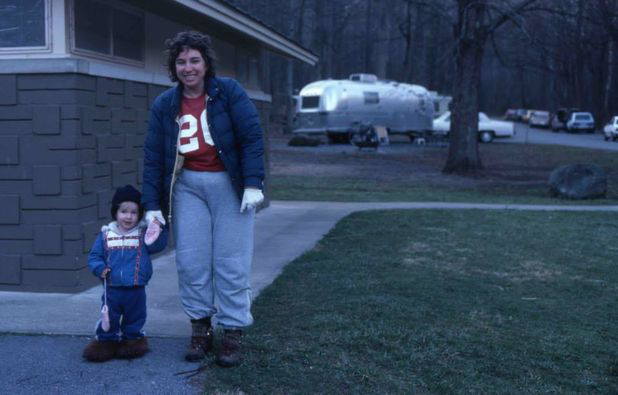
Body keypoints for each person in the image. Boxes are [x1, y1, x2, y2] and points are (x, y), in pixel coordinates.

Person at [142, 31, 265, 367]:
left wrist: (253, 182)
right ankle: (200, 328)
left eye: (194, 60)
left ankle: (233, 331)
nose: (188, 67)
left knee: (231, 261)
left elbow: (252, 138)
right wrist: (152, 205)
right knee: (192, 261)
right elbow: (154, 157)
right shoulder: (165, 104)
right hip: (188, 187)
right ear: (173, 67)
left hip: (229, 184)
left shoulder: (229, 92)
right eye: (180, 61)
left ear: (206, 63)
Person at [82, 185, 168, 362]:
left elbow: (158, 245)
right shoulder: (106, 234)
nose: (128, 216)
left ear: (140, 214)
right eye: (123, 211)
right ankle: (106, 341)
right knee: (110, 316)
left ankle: (132, 340)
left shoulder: (143, 235)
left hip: (136, 288)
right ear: (116, 212)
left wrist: (159, 226)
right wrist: (100, 268)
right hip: (112, 288)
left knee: (135, 316)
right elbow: (95, 256)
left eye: (134, 212)